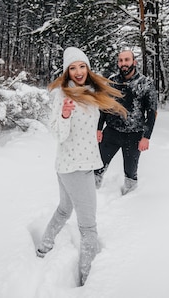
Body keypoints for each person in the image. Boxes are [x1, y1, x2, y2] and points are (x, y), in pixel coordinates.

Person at [36, 47, 127, 287]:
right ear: (67, 72)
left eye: (81, 66)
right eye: (72, 68)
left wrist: (95, 132)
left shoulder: (91, 91)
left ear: (87, 68)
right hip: (77, 167)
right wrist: (65, 116)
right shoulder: (63, 96)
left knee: (65, 209)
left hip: (69, 164)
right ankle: (88, 282)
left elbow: (92, 119)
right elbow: (58, 134)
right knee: (88, 228)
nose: (78, 72)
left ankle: (43, 247)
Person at [95, 49, 158, 195]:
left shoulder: (145, 83)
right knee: (98, 165)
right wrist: (99, 128)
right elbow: (104, 106)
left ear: (134, 62)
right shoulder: (112, 81)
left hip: (134, 135)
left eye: (127, 60)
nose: (123, 63)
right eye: (121, 60)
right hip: (111, 132)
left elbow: (151, 112)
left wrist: (146, 137)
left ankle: (129, 200)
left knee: (130, 171)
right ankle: (92, 192)